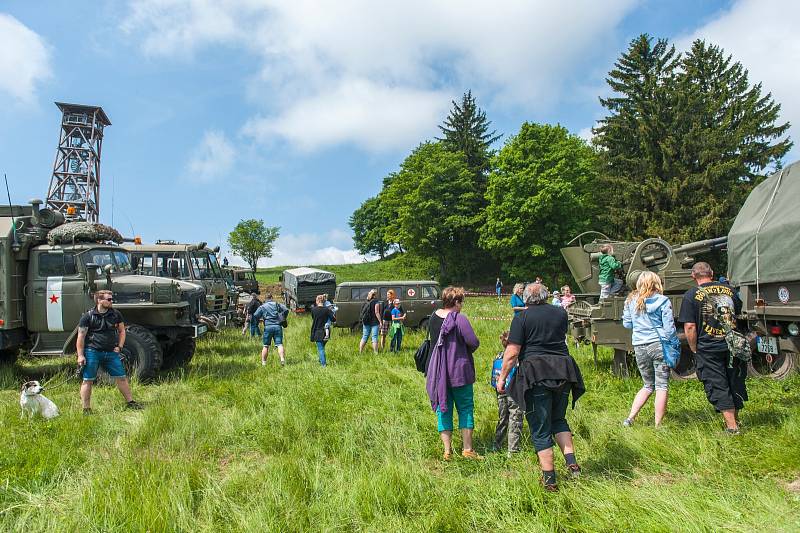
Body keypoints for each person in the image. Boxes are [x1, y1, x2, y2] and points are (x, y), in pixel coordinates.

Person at [497, 283, 585, 492]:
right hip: (563, 371)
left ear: (526, 298)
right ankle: (572, 463)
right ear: (546, 296)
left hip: (537, 374)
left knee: (539, 426)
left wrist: (502, 378)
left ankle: (549, 480)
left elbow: (512, 352)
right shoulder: (560, 313)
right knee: (558, 419)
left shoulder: (522, 318)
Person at [678, 262, 747, 434]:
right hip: (732, 345)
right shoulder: (729, 290)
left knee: (718, 384)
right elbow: (738, 314)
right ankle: (735, 420)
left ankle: (732, 427)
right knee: (734, 381)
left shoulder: (691, 295)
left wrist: (694, 349)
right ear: (712, 273)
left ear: (693, 276)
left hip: (708, 348)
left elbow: (690, 327)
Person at [426, 286, 482, 460]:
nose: (462, 305)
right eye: (461, 302)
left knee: (443, 408)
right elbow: (473, 342)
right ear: (456, 302)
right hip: (459, 370)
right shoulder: (460, 319)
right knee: (465, 408)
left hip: (437, 371)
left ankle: (447, 450)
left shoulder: (433, 317)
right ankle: (467, 449)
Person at [621, 271, 675, 427]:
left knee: (647, 385)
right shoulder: (663, 301)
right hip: (658, 345)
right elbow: (670, 328)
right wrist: (672, 343)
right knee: (661, 386)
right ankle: (658, 425)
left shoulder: (630, 300)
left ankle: (630, 418)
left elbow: (627, 324)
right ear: (656, 283)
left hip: (639, 346)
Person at [76, 290, 142, 414]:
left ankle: (130, 402)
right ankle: (86, 408)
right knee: (88, 380)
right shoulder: (88, 316)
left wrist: (120, 346)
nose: (112, 301)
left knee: (122, 378)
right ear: (100, 300)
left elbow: (122, 331)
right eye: (109, 299)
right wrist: (80, 355)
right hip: (92, 352)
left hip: (111, 352)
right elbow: (81, 336)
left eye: (112, 299)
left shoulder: (116, 314)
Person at [492, 331, 523, 456]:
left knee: (502, 418)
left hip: (500, 391)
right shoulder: (517, 358)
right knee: (515, 418)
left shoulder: (498, 357)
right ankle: (513, 450)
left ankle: (497, 445)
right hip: (514, 391)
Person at [253, 293, 288, 367]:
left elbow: (255, 315)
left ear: (265, 299)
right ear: (272, 297)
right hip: (277, 326)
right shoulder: (277, 304)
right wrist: (283, 317)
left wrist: (261, 319)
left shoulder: (262, 306)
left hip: (268, 327)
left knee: (265, 346)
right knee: (279, 344)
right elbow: (286, 309)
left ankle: (264, 363)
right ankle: (282, 359)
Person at [310, 294, 336, 367]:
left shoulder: (313, 310)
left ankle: (323, 365)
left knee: (320, 348)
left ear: (317, 301)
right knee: (322, 347)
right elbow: (333, 319)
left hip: (317, 331)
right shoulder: (327, 310)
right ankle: (321, 359)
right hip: (326, 331)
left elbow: (313, 318)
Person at [359, 289, 382, 354]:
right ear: (375, 295)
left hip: (366, 321)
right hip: (374, 322)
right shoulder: (376, 301)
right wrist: (380, 321)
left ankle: (360, 352)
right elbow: (376, 312)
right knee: (374, 337)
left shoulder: (366, 301)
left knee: (364, 336)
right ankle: (375, 352)